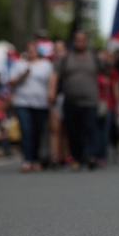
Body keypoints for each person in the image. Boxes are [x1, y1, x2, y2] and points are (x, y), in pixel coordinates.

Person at [50, 31, 101, 170]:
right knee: (73, 131)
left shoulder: (93, 58)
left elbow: (106, 72)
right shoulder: (65, 58)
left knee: (90, 129)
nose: (80, 43)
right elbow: (56, 75)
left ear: (86, 42)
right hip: (71, 101)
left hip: (90, 101)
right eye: (77, 40)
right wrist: (52, 91)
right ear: (74, 41)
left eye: (82, 40)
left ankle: (91, 156)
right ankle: (76, 157)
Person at [9, 41, 53, 172]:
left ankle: (35, 159)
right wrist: (22, 76)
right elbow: (10, 82)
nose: (32, 52)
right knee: (26, 130)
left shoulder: (46, 65)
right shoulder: (19, 64)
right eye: (29, 49)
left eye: (34, 50)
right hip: (22, 102)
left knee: (37, 132)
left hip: (40, 103)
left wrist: (51, 95)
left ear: (38, 51)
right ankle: (27, 160)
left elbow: (51, 82)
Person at [96, 51, 119, 166]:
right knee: (95, 130)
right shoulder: (95, 72)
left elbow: (116, 89)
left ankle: (102, 155)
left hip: (109, 105)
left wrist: (118, 105)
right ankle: (94, 153)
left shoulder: (113, 73)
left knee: (105, 131)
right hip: (95, 104)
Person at [49, 39, 69, 167]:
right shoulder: (50, 64)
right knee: (55, 129)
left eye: (61, 49)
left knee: (66, 129)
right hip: (56, 98)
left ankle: (66, 156)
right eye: (56, 49)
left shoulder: (70, 63)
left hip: (68, 97)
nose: (58, 52)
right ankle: (55, 157)